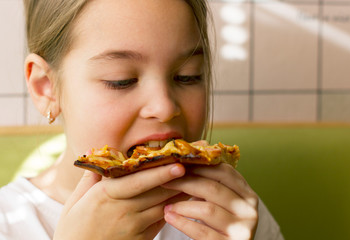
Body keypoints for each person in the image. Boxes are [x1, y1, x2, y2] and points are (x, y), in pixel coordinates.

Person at [0, 0, 284, 239]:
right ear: (45, 88)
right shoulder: (8, 222)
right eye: (121, 80)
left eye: (188, 76)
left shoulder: (232, 212)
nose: (164, 107)